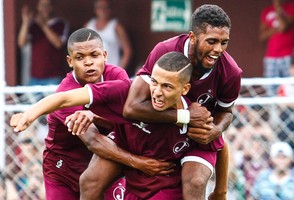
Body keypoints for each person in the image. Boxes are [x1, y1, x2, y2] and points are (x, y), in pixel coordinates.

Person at [10, 52, 214, 199]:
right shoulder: (127, 91)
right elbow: (64, 98)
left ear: (185, 89)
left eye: (167, 86)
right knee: (89, 181)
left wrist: (220, 191)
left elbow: (217, 145)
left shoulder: (195, 117)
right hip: (99, 164)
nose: (157, 92)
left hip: (160, 181)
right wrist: (29, 115)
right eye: (154, 82)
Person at [12, 27, 172, 200]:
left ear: (104, 55)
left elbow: (125, 119)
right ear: (70, 61)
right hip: (63, 171)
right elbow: (93, 140)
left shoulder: (118, 76)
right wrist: (139, 163)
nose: (88, 62)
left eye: (94, 55)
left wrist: (94, 116)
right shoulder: (66, 91)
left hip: (104, 164)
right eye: (80, 57)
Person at [122, 4, 242, 199]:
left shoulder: (231, 72)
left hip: (196, 139)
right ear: (192, 37)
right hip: (158, 131)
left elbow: (227, 112)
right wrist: (185, 116)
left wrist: (216, 130)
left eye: (224, 42)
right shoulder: (165, 50)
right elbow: (132, 107)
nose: (218, 49)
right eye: (211, 41)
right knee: (93, 179)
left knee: (195, 181)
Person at [17, 0, 69, 86]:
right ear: (38, 7)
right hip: (35, 78)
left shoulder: (60, 23)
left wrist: (43, 25)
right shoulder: (33, 25)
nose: (44, 8)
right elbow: (21, 43)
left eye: (47, 5)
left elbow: (58, 44)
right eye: (42, 5)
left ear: (52, 7)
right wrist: (26, 22)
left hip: (54, 77)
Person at [259, 0, 294, 96]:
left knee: (291, 86)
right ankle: (274, 111)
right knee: (271, 88)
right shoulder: (267, 11)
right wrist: (276, 29)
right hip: (271, 56)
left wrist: (278, 8)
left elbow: (284, 26)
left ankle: (292, 110)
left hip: (288, 54)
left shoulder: (291, 8)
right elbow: (262, 36)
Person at [85, 0, 132, 70]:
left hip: (110, 71)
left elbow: (127, 51)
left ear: (110, 9)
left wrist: (118, 71)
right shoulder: (88, 26)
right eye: (99, 7)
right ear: (95, 9)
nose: (102, 10)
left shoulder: (116, 27)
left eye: (105, 7)